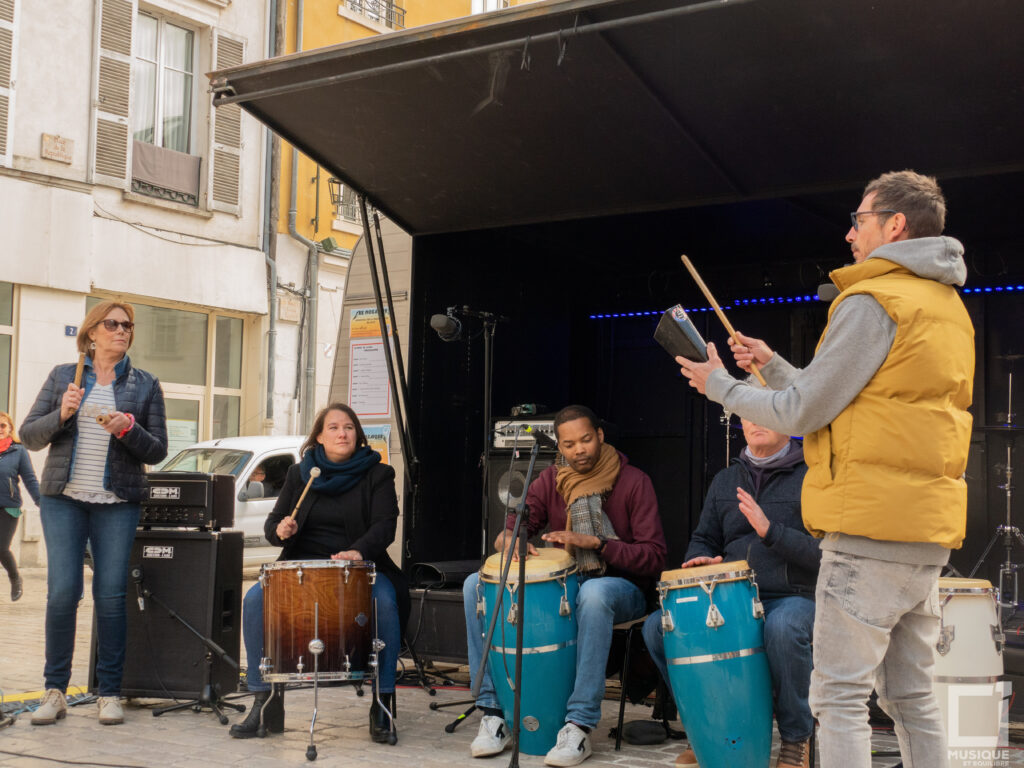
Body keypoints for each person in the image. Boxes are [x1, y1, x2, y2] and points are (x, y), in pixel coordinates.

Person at [675, 170, 973, 768]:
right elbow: (840, 400)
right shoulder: (945, 305)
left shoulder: (872, 298)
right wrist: (773, 363)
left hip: (868, 531)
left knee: (836, 695)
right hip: (922, 531)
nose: (849, 233)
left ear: (895, 225)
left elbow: (801, 412)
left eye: (859, 220)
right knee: (912, 696)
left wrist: (723, 388)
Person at [463, 404, 667, 767]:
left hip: (622, 588)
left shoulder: (634, 481)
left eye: (586, 440)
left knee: (594, 592)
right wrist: (511, 536)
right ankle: (494, 712)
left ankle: (579, 724)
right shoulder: (551, 480)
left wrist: (599, 544)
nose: (579, 451)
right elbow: (519, 520)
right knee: (473, 586)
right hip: (567, 586)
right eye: (569, 444)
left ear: (600, 436)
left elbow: (654, 557)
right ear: (559, 446)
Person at [20, 301, 168, 727]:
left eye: (127, 326)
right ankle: (55, 691)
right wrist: (62, 413)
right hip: (63, 498)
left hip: (117, 501)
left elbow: (157, 449)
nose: (121, 331)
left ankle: (109, 693)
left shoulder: (145, 385)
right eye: (112, 324)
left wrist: (127, 428)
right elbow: (30, 436)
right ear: (92, 333)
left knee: (110, 597)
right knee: (63, 593)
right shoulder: (63, 377)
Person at [642, 413, 819, 768]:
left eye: (767, 413)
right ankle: (703, 729)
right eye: (748, 414)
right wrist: (701, 560)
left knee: (781, 629)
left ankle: (796, 740)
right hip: (730, 597)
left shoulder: (813, 477)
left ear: (790, 418)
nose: (756, 422)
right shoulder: (726, 479)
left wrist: (772, 531)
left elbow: (826, 553)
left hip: (791, 595)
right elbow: (703, 537)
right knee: (658, 628)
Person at [230, 403, 409, 743]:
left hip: (359, 567)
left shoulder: (378, 474)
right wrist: (281, 530)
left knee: (384, 604)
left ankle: (382, 702)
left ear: (358, 435)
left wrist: (358, 551)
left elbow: (386, 526)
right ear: (319, 437)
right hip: (301, 567)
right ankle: (265, 700)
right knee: (254, 601)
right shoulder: (302, 474)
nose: (342, 433)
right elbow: (273, 525)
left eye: (349, 428)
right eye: (334, 428)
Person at [0, 411, 41, 601]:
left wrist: (42, 501)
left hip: (8, 506)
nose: (0, 429)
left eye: (3, 425)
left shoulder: (18, 451)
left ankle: (15, 578)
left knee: (1, 547)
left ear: (9, 429)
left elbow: (30, 479)